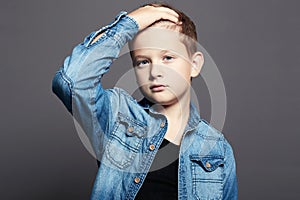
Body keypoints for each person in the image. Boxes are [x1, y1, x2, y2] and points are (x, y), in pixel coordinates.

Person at [52, 3, 238, 200]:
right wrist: (131, 23)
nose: (155, 72)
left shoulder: (217, 148)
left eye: (167, 57)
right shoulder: (118, 118)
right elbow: (72, 81)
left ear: (194, 64)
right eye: (143, 61)